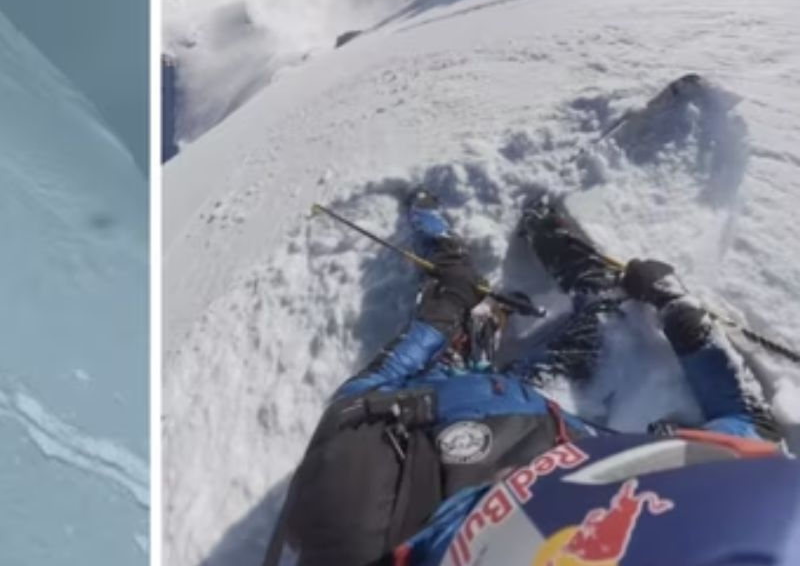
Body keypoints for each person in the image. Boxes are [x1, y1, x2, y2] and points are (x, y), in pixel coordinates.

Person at [265, 190, 787, 566]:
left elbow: (746, 430)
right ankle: (509, 262)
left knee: (461, 331)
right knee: (594, 313)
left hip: (459, 407)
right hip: (510, 411)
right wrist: (678, 311)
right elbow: (747, 424)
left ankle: (479, 287)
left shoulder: (353, 485)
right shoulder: (356, 483)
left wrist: (449, 293)